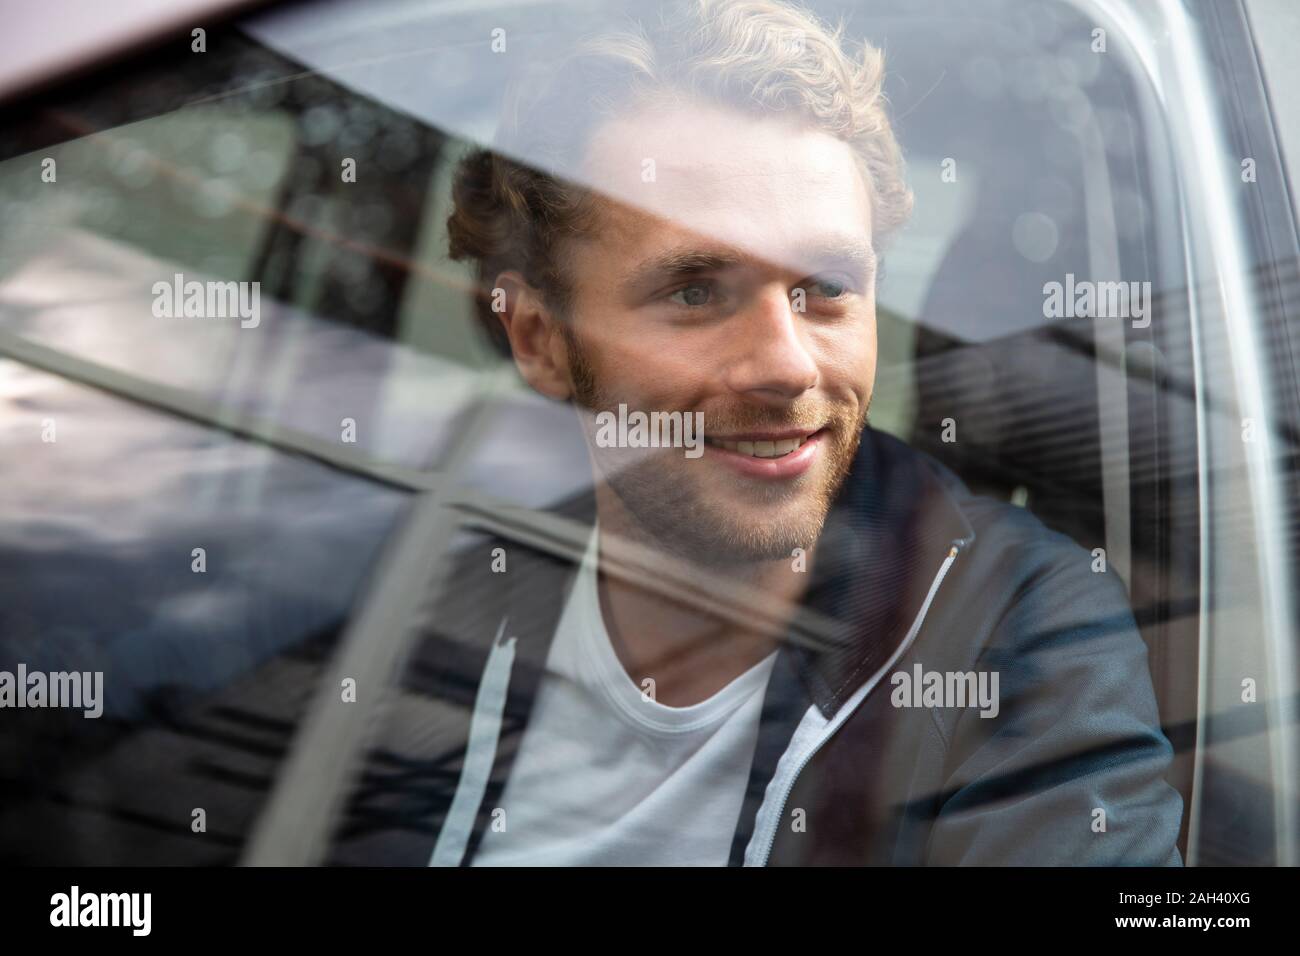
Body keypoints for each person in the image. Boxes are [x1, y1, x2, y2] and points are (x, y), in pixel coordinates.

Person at [345, 0, 1184, 866]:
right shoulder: (449, 599)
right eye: (696, 291)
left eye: (825, 286)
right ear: (539, 339)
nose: (787, 367)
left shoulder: (1019, 631)